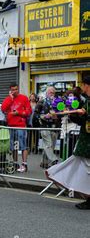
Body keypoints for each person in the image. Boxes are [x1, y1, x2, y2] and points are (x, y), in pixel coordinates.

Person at [46, 76, 90, 209]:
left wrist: (86, 115)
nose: (82, 87)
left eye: (83, 84)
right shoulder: (86, 101)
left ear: (87, 85)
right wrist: (73, 115)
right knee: (82, 166)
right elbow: (82, 122)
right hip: (86, 140)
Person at [1, 83, 32, 173]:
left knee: (23, 145)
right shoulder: (8, 99)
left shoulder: (24, 98)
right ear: (10, 90)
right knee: (14, 146)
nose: (14, 91)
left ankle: (24, 164)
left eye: (16, 89)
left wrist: (18, 113)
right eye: (13, 90)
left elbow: (29, 111)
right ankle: (15, 163)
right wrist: (10, 99)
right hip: (11, 125)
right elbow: (3, 109)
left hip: (20, 125)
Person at [34, 87, 61, 169]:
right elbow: (35, 114)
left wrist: (57, 116)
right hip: (44, 126)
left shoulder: (58, 102)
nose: (52, 93)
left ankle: (44, 163)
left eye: (53, 92)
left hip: (55, 127)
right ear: (47, 93)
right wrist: (44, 116)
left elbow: (62, 113)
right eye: (50, 92)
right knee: (48, 145)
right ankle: (54, 160)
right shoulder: (42, 101)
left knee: (50, 146)